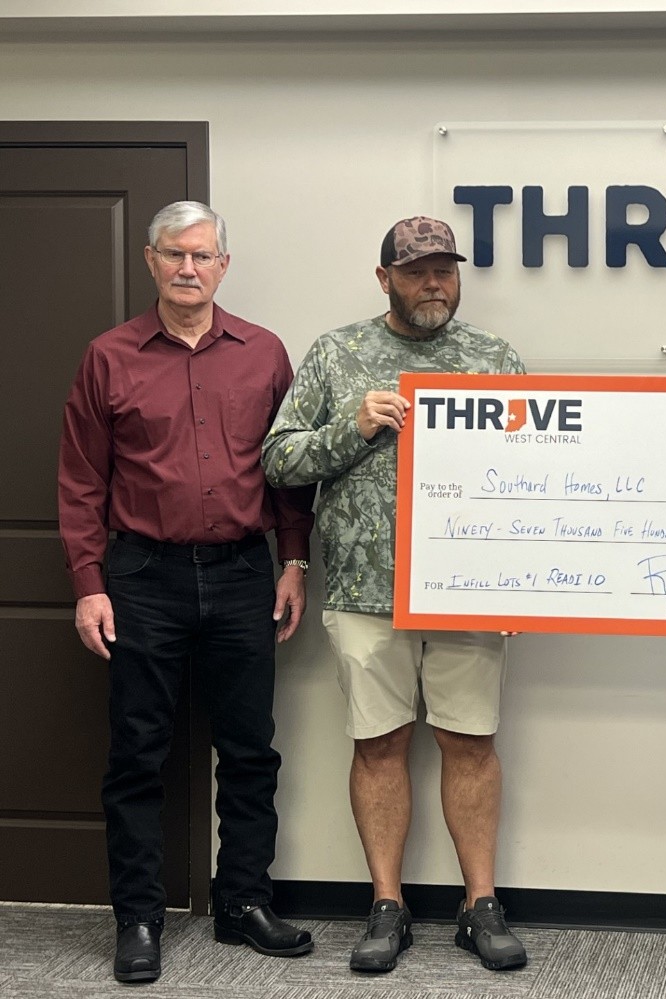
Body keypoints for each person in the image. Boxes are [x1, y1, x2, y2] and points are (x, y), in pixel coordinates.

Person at [58, 201, 317, 984]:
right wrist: (88, 583)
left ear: (223, 265)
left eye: (203, 256)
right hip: (143, 579)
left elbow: (288, 474)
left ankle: (243, 901)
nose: (188, 269)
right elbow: (80, 482)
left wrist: (294, 561)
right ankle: (137, 916)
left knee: (249, 751)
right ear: (150, 260)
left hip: (244, 575)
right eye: (174, 255)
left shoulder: (265, 354)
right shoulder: (109, 357)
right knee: (138, 755)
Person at [262, 216, 527, 975]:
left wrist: (521, 581)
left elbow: (538, 474)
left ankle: (481, 905)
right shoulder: (338, 354)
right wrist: (352, 427)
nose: (433, 283)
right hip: (361, 585)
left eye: (444, 269)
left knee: (470, 740)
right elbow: (278, 460)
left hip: (469, 592)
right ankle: (387, 903)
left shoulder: (493, 358)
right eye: (416, 271)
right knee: (378, 743)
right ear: (385, 279)